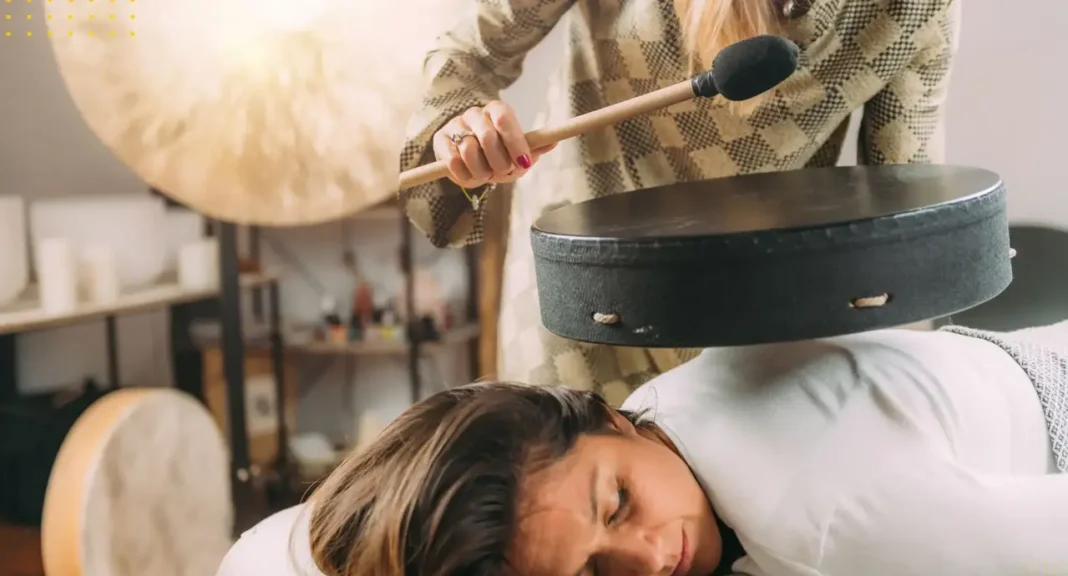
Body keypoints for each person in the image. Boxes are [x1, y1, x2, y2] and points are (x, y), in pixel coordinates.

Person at [205, 322, 1068, 576]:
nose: (651, 559)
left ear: (609, 415)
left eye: (616, 505)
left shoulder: (827, 524)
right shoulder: (676, 407)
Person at [397, 0, 963, 406]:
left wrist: (907, 401)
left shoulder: (918, 8)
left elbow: (904, 224)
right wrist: (460, 128)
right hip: (581, 297)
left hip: (751, 315)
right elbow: (465, 58)